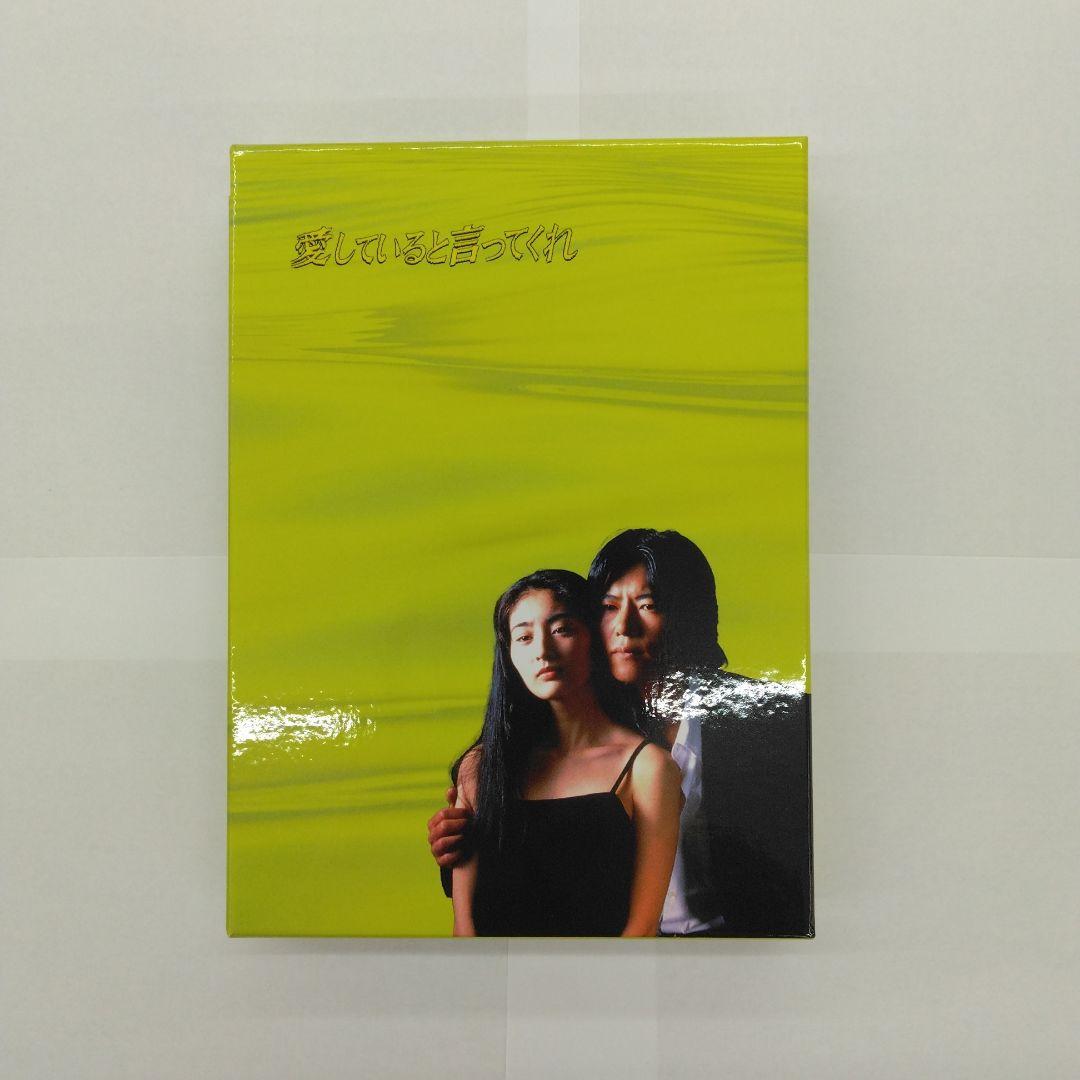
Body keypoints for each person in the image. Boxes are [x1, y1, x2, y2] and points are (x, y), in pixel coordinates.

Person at [430, 531, 812, 937]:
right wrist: (460, 843)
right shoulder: (579, 728)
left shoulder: (777, 721)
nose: (624, 627)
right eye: (608, 608)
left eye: (648, 605)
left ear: (688, 614)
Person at [450, 569, 683, 937]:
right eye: (524, 637)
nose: (542, 651)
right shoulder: (481, 767)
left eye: (561, 630)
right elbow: (465, 929)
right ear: (508, 655)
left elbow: (641, 928)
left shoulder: (648, 768)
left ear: (595, 637)